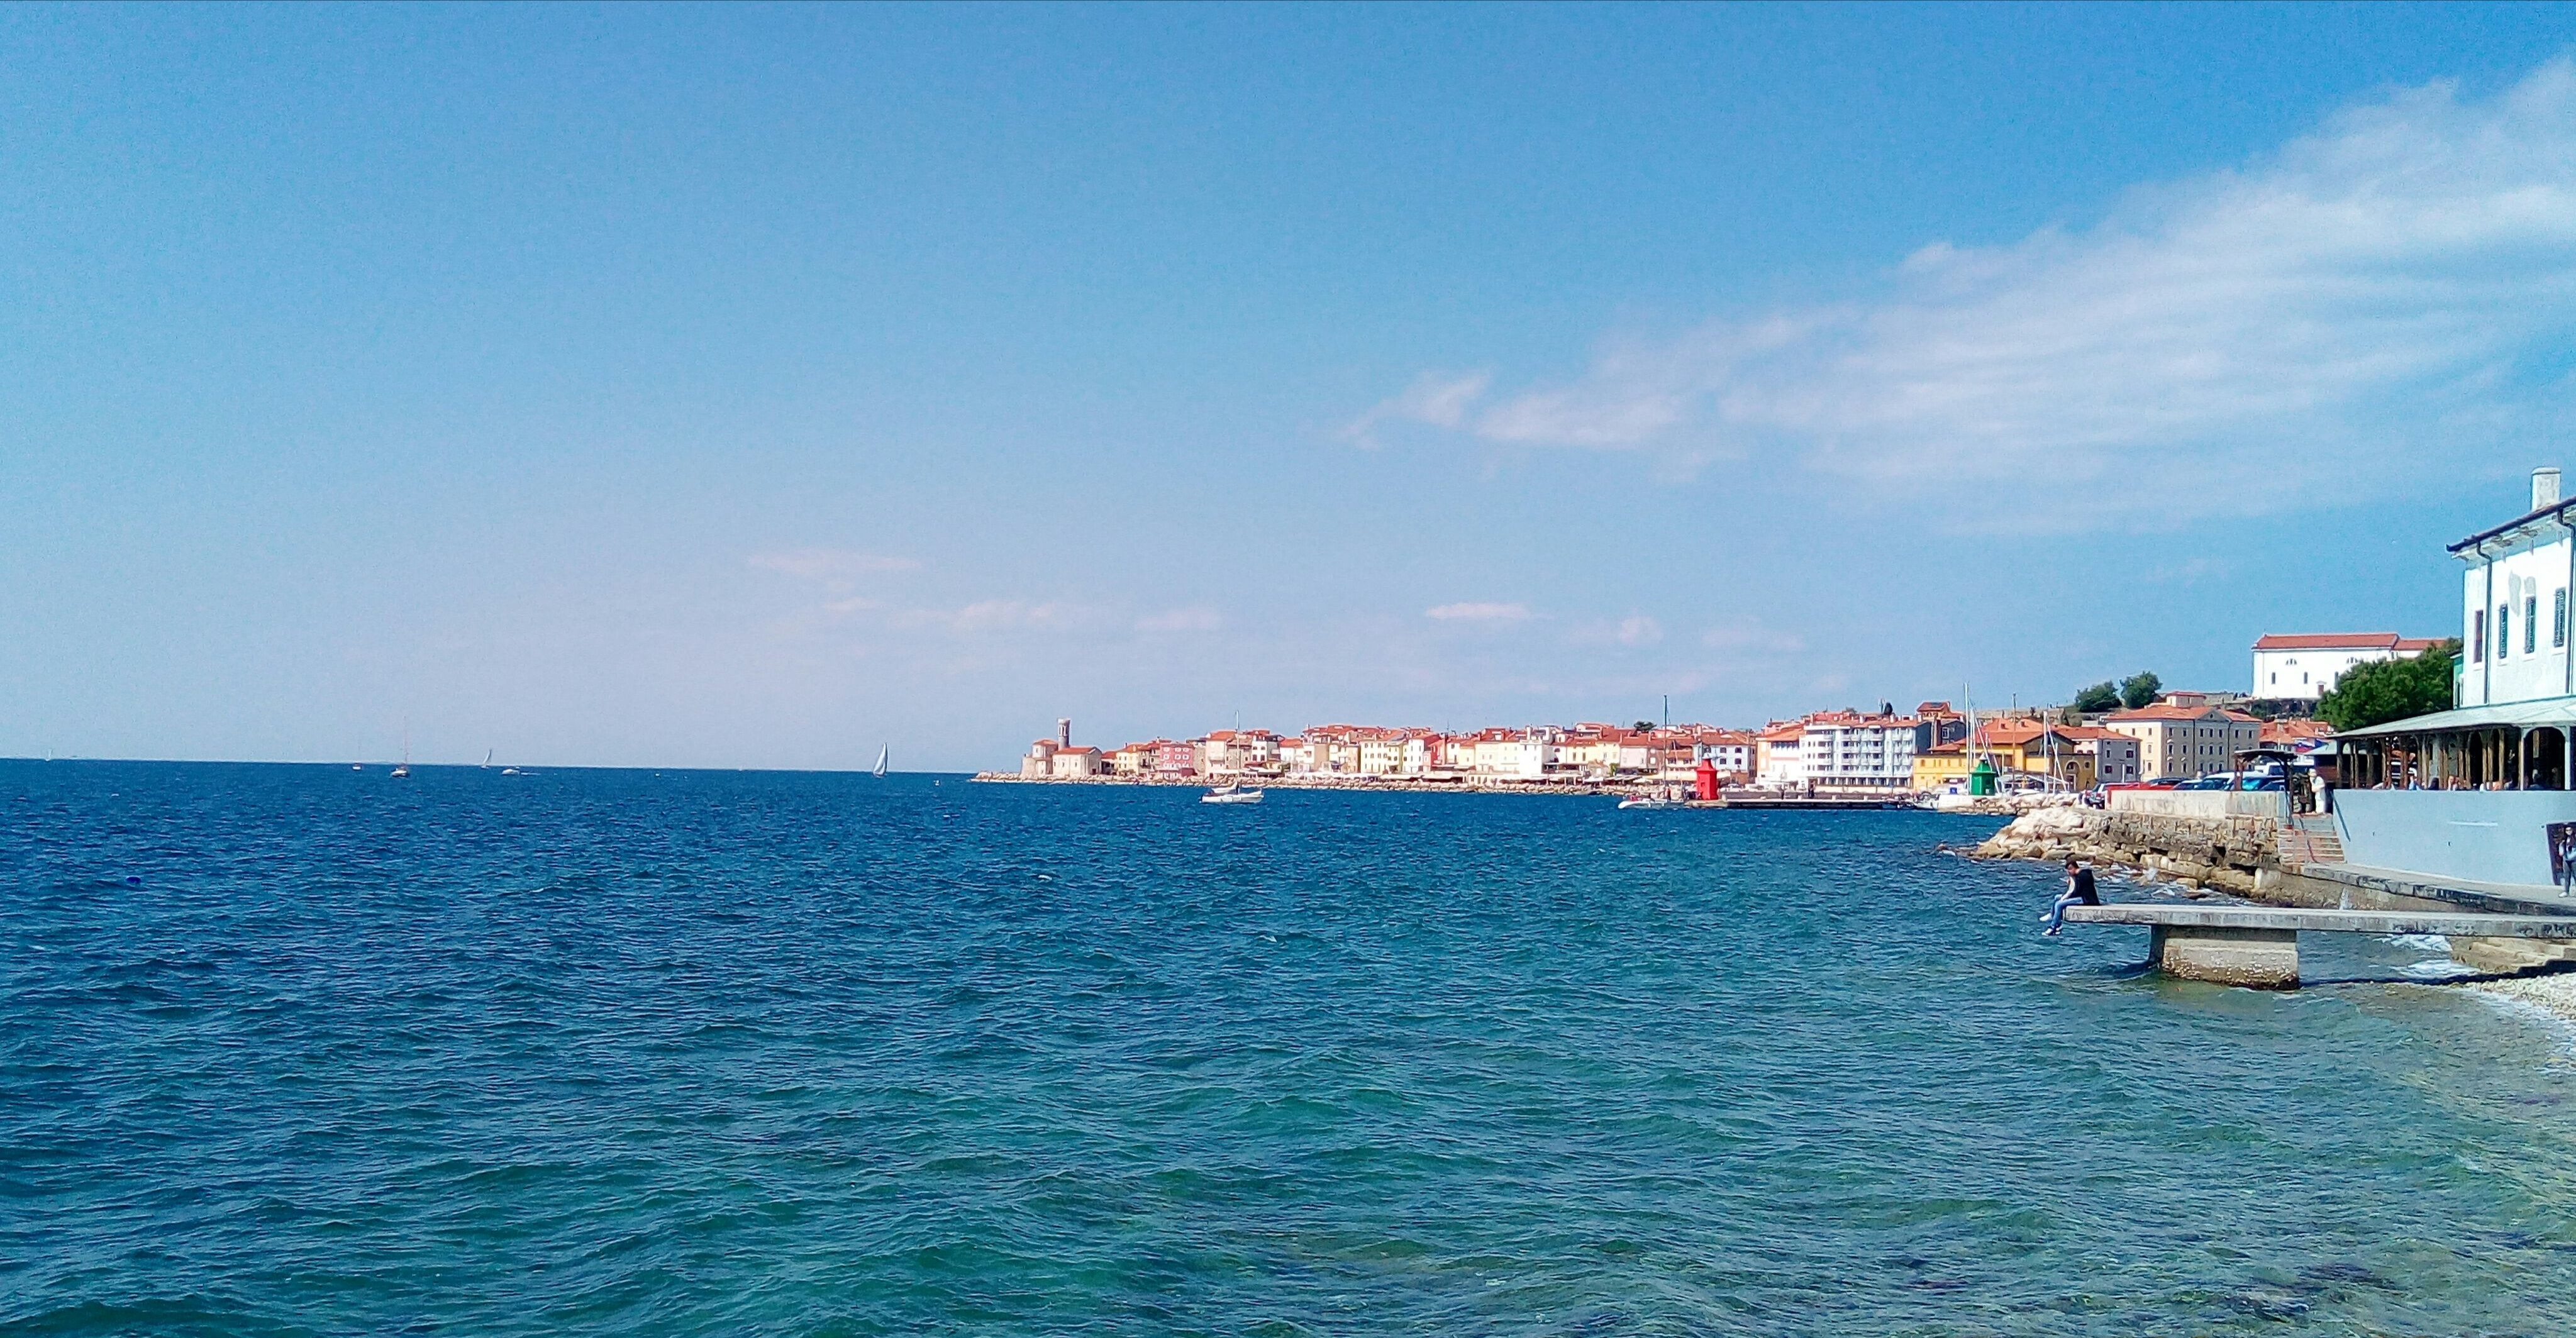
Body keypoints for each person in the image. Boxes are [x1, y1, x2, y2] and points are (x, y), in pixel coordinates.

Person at [2042, 856, 2099, 936]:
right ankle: (2053, 916)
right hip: (2080, 896)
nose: (2068, 873)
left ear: (2072, 868)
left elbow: (2075, 892)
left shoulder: (2082, 876)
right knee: (2057, 898)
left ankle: (2053, 927)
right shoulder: (2079, 875)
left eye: (2069, 871)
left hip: (2087, 900)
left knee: (2059, 904)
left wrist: (2066, 896)